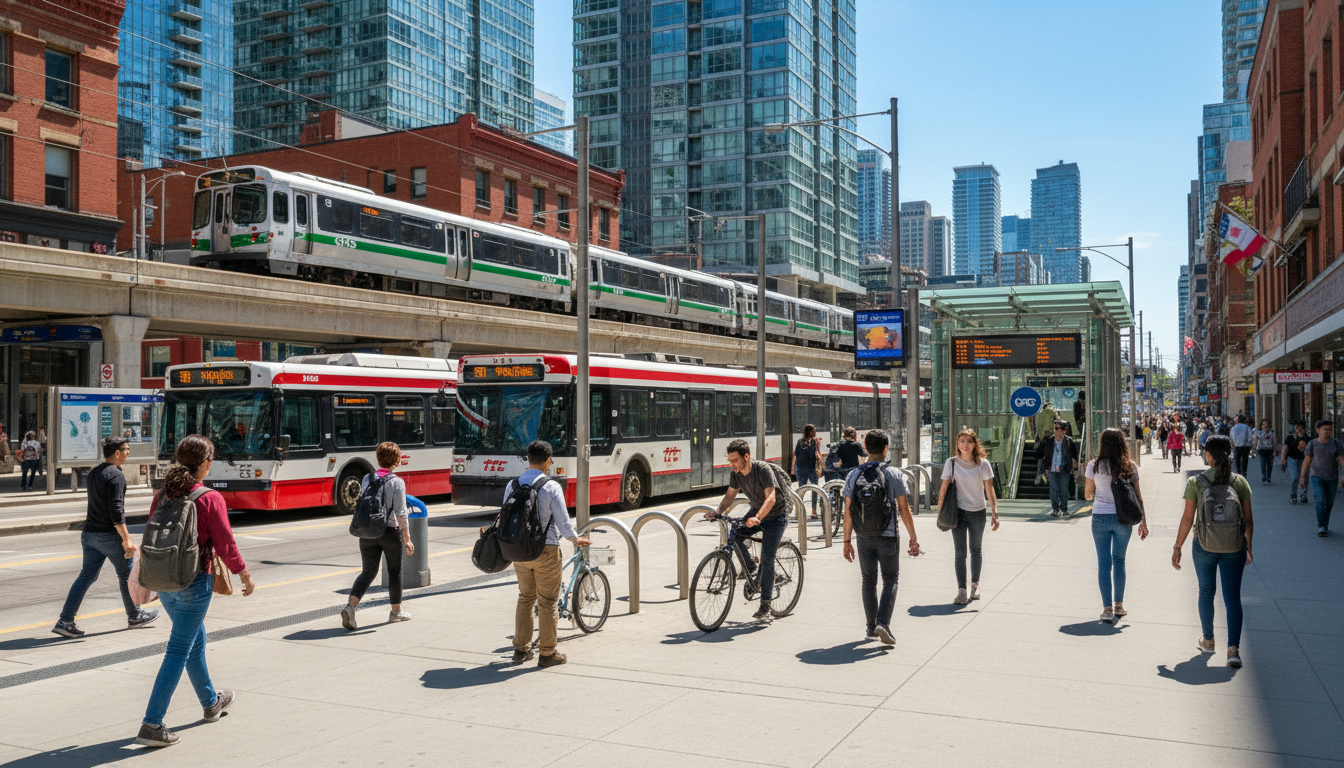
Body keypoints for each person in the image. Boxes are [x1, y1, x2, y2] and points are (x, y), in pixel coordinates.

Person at [135, 435, 255, 748]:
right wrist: (244, 574)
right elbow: (225, 543)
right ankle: (152, 723)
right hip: (194, 581)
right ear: (203, 463)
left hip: (165, 582)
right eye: (210, 460)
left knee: (194, 641)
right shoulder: (209, 497)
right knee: (179, 649)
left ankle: (210, 702)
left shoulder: (162, 493)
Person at [52, 437, 159, 638]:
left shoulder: (95, 473)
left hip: (89, 534)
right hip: (108, 535)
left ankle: (65, 621)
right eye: (126, 450)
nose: (128, 453)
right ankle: (134, 615)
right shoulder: (116, 476)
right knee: (126, 574)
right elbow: (117, 511)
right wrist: (126, 538)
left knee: (86, 577)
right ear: (117, 452)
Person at [502, 440, 590, 666]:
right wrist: (575, 538)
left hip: (520, 551)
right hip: (546, 549)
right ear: (548, 461)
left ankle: (520, 650)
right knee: (548, 601)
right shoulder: (551, 487)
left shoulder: (512, 485)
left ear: (527, 458)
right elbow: (562, 522)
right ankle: (548, 652)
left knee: (525, 597)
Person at [1172, 435, 1253, 669]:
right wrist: (1249, 548)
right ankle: (1233, 650)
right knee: (1232, 598)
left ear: (1208, 455)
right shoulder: (1239, 482)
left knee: (1206, 592)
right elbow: (1249, 521)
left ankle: (1208, 640)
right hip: (1234, 547)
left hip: (1204, 545)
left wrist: (1177, 547)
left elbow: (1188, 518)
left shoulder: (1196, 482)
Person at [841, 429, 920, 645]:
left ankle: (869, 628)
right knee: (890, 579)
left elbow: (848, 510)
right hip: (887, 536)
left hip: (863, 536)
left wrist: (847, 541)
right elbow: (904, 509)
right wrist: (913, 537)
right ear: (886, 449)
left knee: (868, 580)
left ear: (865, 448)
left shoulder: (854, 474)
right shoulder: (894, 474)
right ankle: (883, 623)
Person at [706, 438, 789, 623]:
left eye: (734, 460)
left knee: (767, 559)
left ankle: (765, 604)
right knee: (734, 534)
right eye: (729, 460)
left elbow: (771, 498)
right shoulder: (736, 473)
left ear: (746, 457)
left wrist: (758, 517)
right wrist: (717, 512)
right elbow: (730, 495)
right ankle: (751, 567)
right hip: (757, 511)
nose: (731, 464)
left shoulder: (763, 470)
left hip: (775, 516)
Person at [340, 442, 416, 631]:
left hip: (367, 532)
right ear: (397, 460)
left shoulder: (368, 478)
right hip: (390, 531)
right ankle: (396, 611)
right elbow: (401, 513)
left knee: (368, 572)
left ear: (378, 458)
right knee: (394, 571)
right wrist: (407, 538)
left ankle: (350, 607)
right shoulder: (397, 482)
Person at [1084, 428, 1150, 623]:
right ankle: (1119, 605)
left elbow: (1088, 494)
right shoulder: (1130, 466)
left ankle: (1106, 609)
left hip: (1100, 518)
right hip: (1124, 518)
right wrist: (1143, 522)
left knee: (1104, 563)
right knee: (1119, 561)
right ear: (1123, 444)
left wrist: (1097, 494)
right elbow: (1138, 497)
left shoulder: (1094, 466)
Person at [937, 428, 999, 605]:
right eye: (962, 441)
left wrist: (995, 512)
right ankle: (962, 590)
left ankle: (975, 585)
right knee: (960, 553)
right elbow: (943, 489)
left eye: (969, 441)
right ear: (957, 444)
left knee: (976, 549)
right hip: (958, 512)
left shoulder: (983, 464)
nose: (965, 444)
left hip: (978, 512)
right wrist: (940, 513)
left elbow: (989, 490)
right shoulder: (951, 463)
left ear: (974, 444)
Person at [1298, 419, 1344, 537]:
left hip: (1332, 477)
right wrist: (1302, 478)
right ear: (1318, 430)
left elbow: (1342, 460)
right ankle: (1321, 525)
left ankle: (1325, 523)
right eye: (1325, 429)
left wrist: (1343, 475)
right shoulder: (1312, 444)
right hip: (1317, 476)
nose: (1327, 431)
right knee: (1320, 500)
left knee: (1329, 502)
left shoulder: (1336, 443)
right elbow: (1307, 461)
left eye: (1329, 429)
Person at [1035, 421, 1077, 517]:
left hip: (1064, 469)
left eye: (1059, 429)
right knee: (1053, 489)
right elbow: (1040, 453)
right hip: (1051, 468)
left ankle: (1064, 509)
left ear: (1064, 431)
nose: (1056, 431)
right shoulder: (1049, 441)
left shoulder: (1068, 441)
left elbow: (1074, 454)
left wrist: (1074, 465)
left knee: (1064, 489)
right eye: (1055, 429)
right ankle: (1055, 509)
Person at [793, 424, 822, 518]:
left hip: (800, 467)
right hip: (810, 467)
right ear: (812, 432)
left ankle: (799, 512)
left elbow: (796, 454)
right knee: (815, 488)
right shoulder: (814, 442)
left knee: (801, 489)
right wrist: (819, 467)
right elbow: (817, 456)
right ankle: (814, 512)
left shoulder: (799, 442)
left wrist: (793, 468)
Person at [1281, 421, 1310, 504]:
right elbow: (1285, 448)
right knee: (1295, 477)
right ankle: (1293, 495)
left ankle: (1303, 495)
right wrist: (1283, 458)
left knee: (1304, 477)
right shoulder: (1290, 437)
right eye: (1297, 427)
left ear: (1304, 429)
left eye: (1301, 428)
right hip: (1292, 459)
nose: (1299, 430)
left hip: (1304, 460)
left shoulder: (1308, 439)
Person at [1252, 419, 1277, 485]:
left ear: (1269, 426)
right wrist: (1254, 449)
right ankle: (1264, 476)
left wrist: (1275, 451)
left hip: (1269, 450)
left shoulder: (1272, 433)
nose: (1265, 427)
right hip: (1261, 450)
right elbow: (1255, 440)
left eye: (1266, 426)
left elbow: (1274, 442)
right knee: (1263, 463)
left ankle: (1268, 476)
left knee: (1269, 464)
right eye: (1263, 425)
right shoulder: (1259, 433)